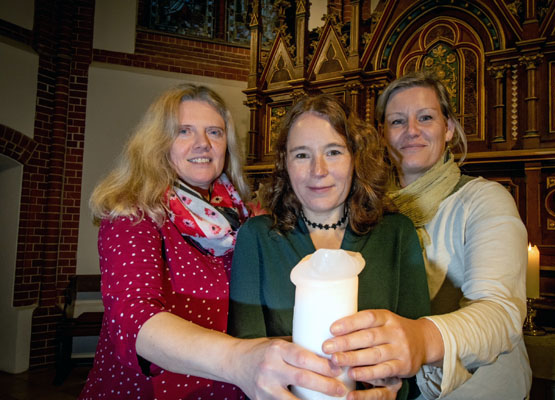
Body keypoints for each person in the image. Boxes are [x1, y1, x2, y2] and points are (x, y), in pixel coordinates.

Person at [79, 84, 344, 400]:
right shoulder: (133, 213)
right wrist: (236, 359)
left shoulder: (244, 218)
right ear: (157, 142)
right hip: (151, 391)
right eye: (184, 131)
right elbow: (133, 318)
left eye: (215, 133)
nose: (202, 144)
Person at [320, 71, 532, 399]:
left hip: (476, 389)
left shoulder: (484, 200)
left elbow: (500, 312)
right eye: (397, 122)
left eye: (426, 117)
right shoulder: (364, 207)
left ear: (448, 128)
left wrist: (422, 339)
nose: (412, 131)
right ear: (382, 133)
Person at [228, 94, 431, 400]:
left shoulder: (397, 233)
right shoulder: (256, 237)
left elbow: (417, 354)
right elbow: (247, 358)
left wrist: (394, 392)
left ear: (355, 158)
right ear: (285, 163)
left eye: (333, 152)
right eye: (301, 155)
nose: (318, 170)